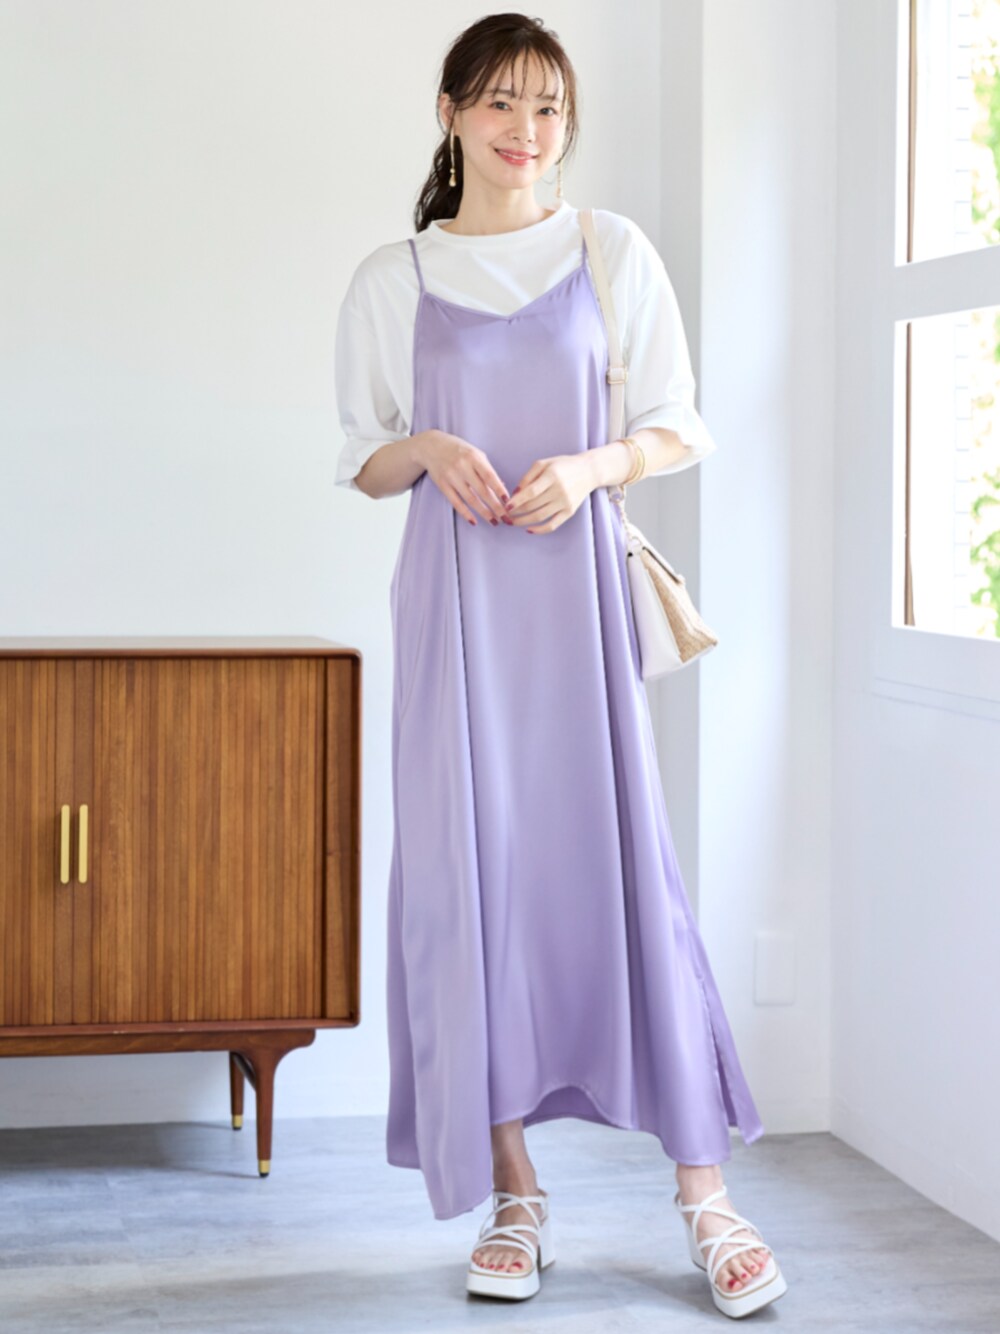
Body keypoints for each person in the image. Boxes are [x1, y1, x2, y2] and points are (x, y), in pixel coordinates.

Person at [334, 12, 786, 1319]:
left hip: (574, 603)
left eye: (547, 108)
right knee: (467, 880)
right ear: (450, 111)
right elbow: (362, 455)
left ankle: (706, 1195)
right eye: (500, 104)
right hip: (455, 608)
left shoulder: (609, 249)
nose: (526, 132)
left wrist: (590, 466)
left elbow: (678, 423)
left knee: (623, 869)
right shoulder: (394, 277)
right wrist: (430, 447)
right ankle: (514, 1193)